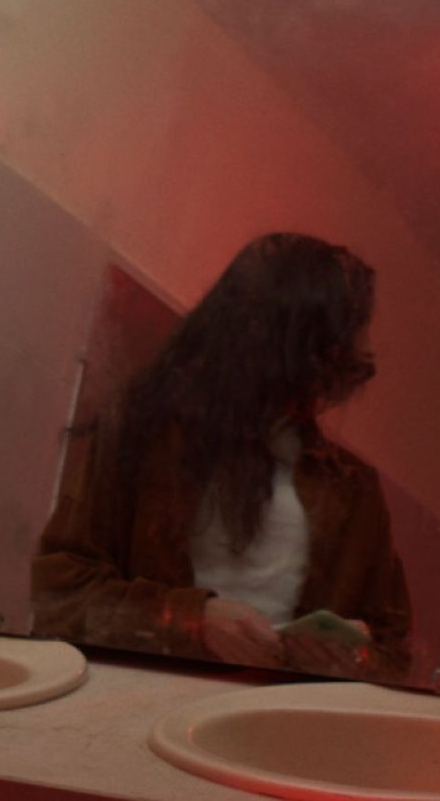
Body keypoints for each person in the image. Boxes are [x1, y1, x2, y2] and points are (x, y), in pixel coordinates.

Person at [31, 233, 412, 681]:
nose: (363, 353)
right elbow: (61, 593)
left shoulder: (354, 489)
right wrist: (194, 622)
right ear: (291, 341)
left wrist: (351, 661)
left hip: (277, 718)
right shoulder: (144, 435)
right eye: (342, 337)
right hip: (143, 706)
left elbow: (393, 652)